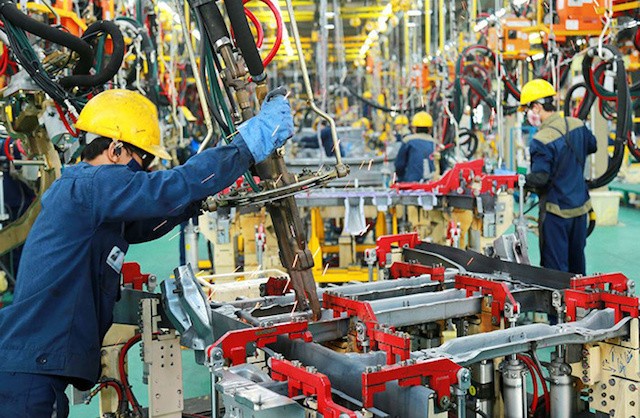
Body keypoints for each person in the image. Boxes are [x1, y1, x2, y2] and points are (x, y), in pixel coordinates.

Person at [0, 87, 293, 417]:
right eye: (142, 162)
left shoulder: (84, 196)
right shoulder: (91, 185)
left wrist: (200, 199)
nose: (143, 173)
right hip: (27, 381)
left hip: (28, 369)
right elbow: (168, 188)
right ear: (115, 149)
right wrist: (247, 146)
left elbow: (143, 224)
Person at [520, 79, 597, 275]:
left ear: (537, 107)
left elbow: (541, 178)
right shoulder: (577, 125)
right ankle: (580, 295)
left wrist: (519, 180)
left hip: (556, 213)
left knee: (555, 273)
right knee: (577, 267)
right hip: (580, 210)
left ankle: (559, 296)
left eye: (527, 109)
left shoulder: (541, 139)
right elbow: (593, 145)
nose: (527, 115)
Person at [394, 111, 436, 182]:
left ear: (414, 128)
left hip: (411, 183)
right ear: (430, 129)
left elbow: (399, 165)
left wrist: (401, 179)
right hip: (432, 184)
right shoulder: (435, 144)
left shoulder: (408, 141)